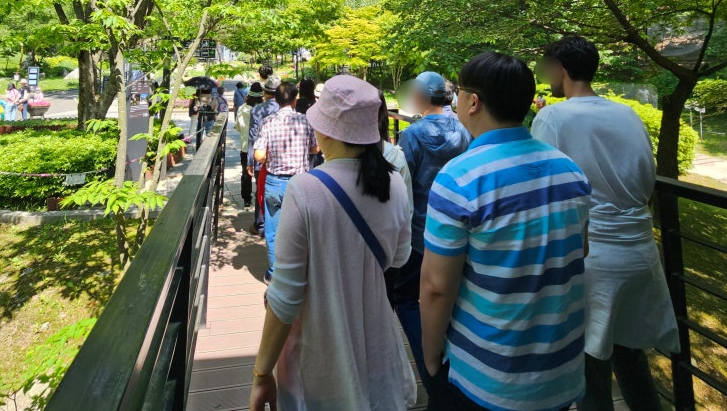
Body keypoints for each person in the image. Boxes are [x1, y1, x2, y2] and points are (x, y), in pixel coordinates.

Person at [421, 52, 592, 411]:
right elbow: (581, 251)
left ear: (474, 101)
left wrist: (430, 353)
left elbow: (437, 287)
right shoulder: (570, 170)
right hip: (561, 371)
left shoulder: (460, 178)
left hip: (487, 376)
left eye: (460, 91)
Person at [249, 75, 416, 411]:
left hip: (317, 353)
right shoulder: (394, 182)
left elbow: (285, 296)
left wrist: (261, 373)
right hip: (377, 342)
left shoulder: (305, 189)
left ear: (324, 130)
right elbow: (398, 259)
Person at [532, 36, 679, 411]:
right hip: (640, 253)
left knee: (588, 367)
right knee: (629, 354)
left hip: (591, 256)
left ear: (560, 70)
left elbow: (541, 186)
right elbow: (647, 182)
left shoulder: (553, 115)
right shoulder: (626, 114)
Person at [394, 70, 472, 377]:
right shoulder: (466, 130)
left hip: (419, 233)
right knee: (453, 295)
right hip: (458, 229)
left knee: (407, 298)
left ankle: (430, 367)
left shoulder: (411, 135)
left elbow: (403, 185)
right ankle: (454, 361)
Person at [254, 80, 318, 282]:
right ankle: (301, 271)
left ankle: (275, 273)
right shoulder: (305, 120)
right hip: (300, 182)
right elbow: (316, 149)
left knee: (273, 231)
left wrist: (267, 157)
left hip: (274, 182)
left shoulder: (268, 121)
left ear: (275, 99)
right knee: (302, 229)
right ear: (294, 99)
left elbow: (259, 155)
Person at [247, 75, 281, 235]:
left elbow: (252, 137)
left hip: (262, 157)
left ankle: (260, 224)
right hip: (282, 158)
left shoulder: (256, 110)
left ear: (265, 93)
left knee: (260, 190)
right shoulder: (286, 108)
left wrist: (250, 162)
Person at [236, 83, 264, 209]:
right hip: (260, 147)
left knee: (246, 174)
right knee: (261, 173)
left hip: (245, 146)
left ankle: (247, 199)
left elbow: (238, 127)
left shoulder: (242, 109)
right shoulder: (263, 110)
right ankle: (260, 197)